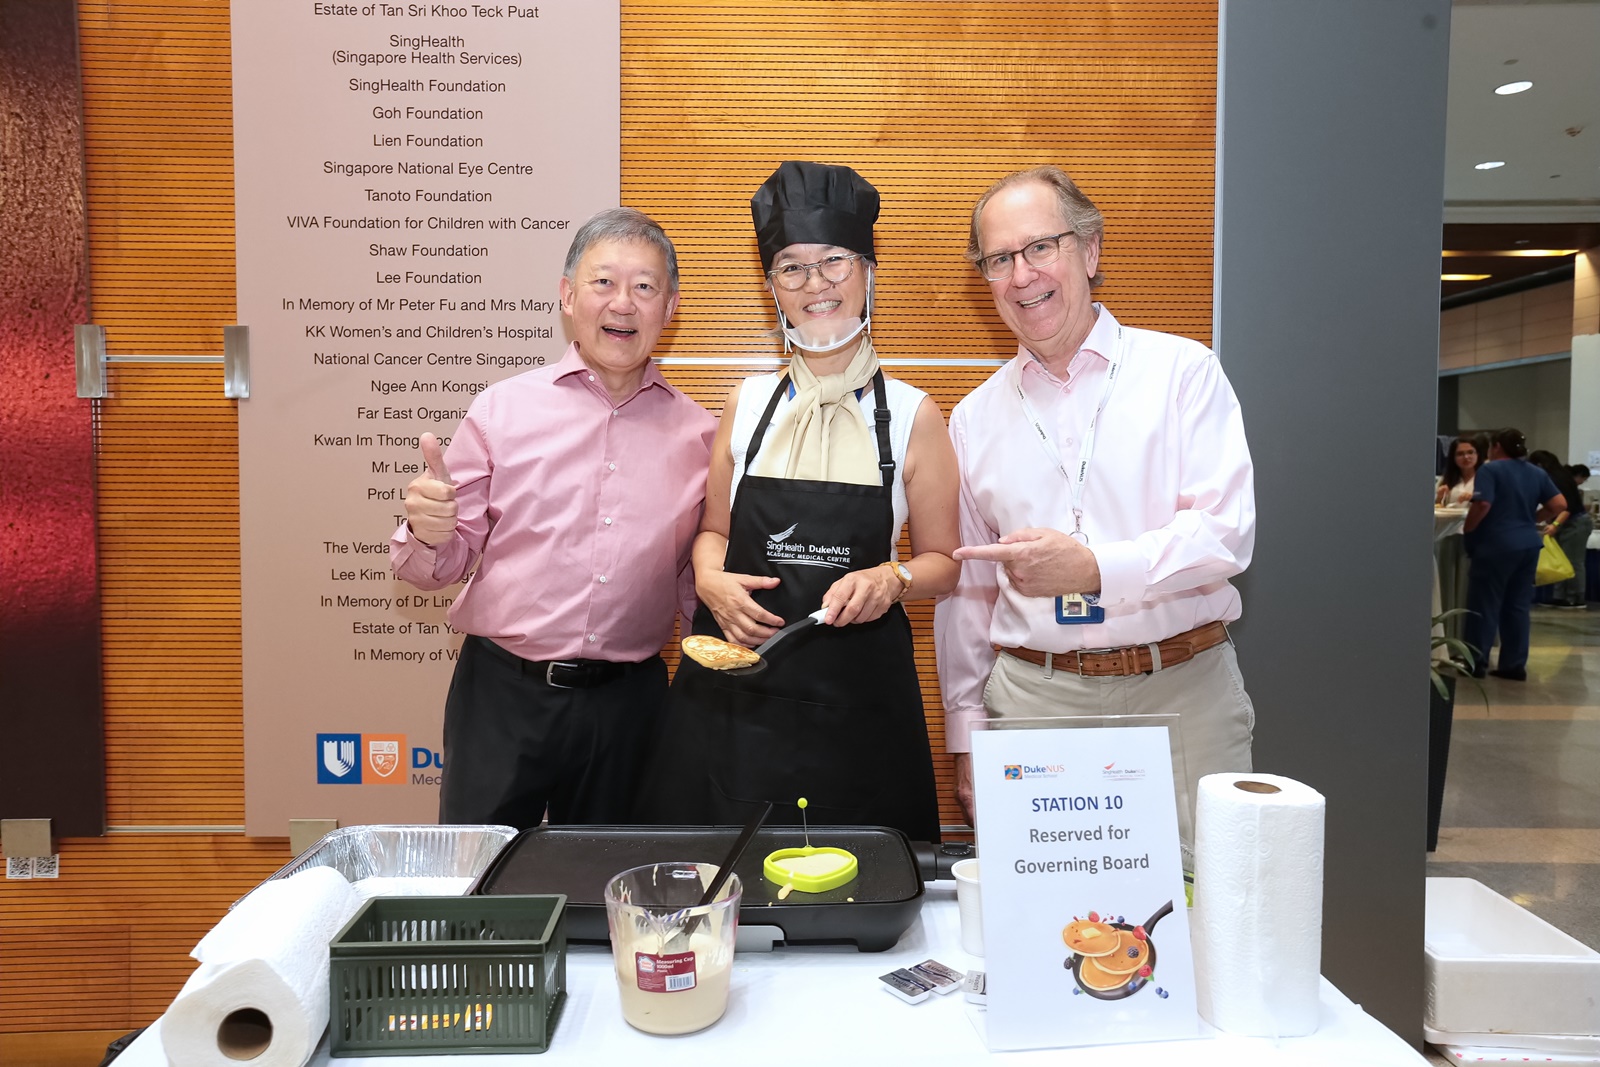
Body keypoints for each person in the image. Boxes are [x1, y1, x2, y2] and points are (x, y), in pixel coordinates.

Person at [933, 166, 1256, 862]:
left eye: (1040, 247)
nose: (1022, 275)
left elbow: (1225, 534)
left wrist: (1092, 568)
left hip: (1183, 692)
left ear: (1089, 251)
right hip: (1034, 701)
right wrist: (968, 731)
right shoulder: (972, 419)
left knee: (1208, 912)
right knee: (1047, 926)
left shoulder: (1183, 373)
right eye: (999, 259)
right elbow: (969, 590)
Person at [641, 161, 960, 842]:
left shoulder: (912, 415)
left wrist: (893, 576)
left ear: (868, 270)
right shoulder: (747, 404)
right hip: (732, 701)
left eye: (834, 261)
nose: (816, 284)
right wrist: (708, 578)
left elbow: (944, 561)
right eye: (792, 267)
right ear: (771, 289)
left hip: (858, 708)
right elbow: (713, 531)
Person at [389, 207, 716, 827]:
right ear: (568, 296)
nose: (623, 304)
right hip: (501, 695)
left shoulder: (702, 437)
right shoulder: (502, 410)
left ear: (669, 308)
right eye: (603, 283)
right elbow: (439, 566)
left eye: (644, 287)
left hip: (630, 707)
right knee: (479, 892)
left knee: (611, 898)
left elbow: (695, 589)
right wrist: (429, 534)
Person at [1462, 429, 1565, 680]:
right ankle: (1514, 664)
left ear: (1496, 446)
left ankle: (1476, 661)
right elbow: (1559, 505)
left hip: (1496, 544)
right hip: (1528, 544)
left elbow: (1483, 504)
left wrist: (1469, 528)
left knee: (1484, 604)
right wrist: (1531, 519)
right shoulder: (1536, 472)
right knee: (1517, 606)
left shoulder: (1491, 470)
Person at [1529, 451, 1590, 609]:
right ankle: (1559, 596)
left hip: (1575, 523)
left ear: (1540, 465)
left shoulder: (1557, 478)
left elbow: (1566, 507)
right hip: (1568, 522)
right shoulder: (1559, 475)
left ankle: (1575, 598)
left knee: (1574, 561)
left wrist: (1555, 524)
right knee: (1560, 561)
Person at [1437, 436, 1481, 505]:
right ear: (1453, 458)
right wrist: (1439, 497)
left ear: (1477, 454)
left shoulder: (1485, 478)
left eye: (1470, 452)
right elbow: (1434, 507)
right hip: (1450, 515)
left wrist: (1474, 498)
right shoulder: (1446, 479)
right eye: (1460, 454)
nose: (1466, 457)